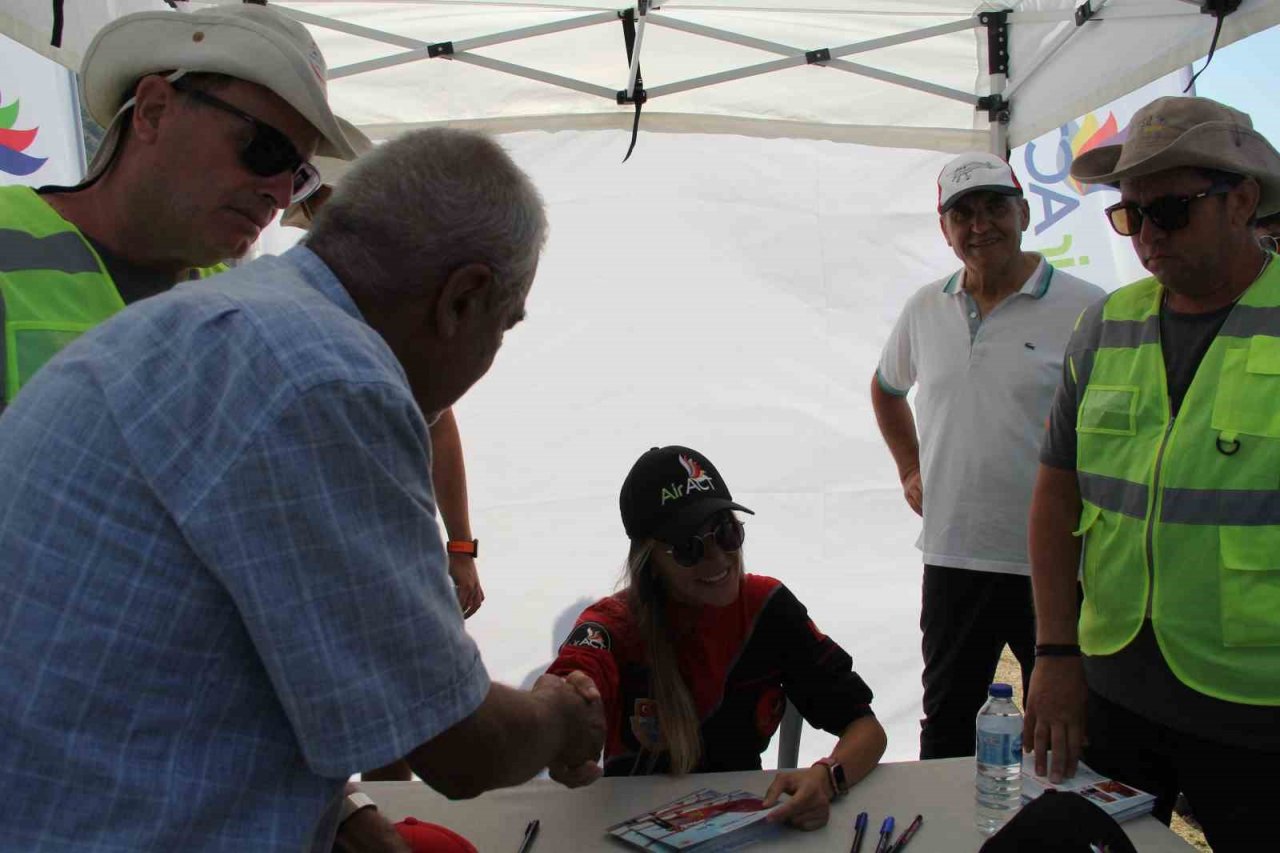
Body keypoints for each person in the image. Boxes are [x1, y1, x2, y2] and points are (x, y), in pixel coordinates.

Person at [0, 127, 605, 851]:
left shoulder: (237, 316)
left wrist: (345, 814)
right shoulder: (324, 376)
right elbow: (459, 744)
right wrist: (562, 715)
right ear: (462, 298)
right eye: (503, 325)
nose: (490, 355)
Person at [1025, 95, 1280, 852]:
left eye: (1168, 209)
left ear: (1241, 200)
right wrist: (1055, 650)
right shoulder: (1107, 324)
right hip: (1112, 694)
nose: (1146, 239)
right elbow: (1056, 492)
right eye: (1131, 216)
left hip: (1257, 713)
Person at [0, 3, 361, 412]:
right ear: (154, 111)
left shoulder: (236, 314)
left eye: (300, 177)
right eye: (265, 150)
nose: (280, 196)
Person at [870, 153, 1104, 760]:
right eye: (962, 213)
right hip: (954, 555)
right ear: (944, 229)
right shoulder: (927, 306)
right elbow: (886, 388)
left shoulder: (1088, 308)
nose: (981, 225)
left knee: (1067, 731)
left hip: (1056, 563)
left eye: (996, 207)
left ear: (1024, 212)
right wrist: (909, 468)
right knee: (946, 726)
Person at [547, 445, 887, 831]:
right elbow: (571, 681)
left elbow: (866, 728)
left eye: (726, 532)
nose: (718, 558)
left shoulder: (767, 606)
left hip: (743, 831)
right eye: (689, 547)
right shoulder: (612, 624)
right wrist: (559, 729)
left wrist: (826, 778)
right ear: (649, 561)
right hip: (627, 832)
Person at [284, 161, 485, 623]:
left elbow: (438, 425)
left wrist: (459, 546)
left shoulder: (399, 307)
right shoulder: (294, 308)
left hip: (390, 554)